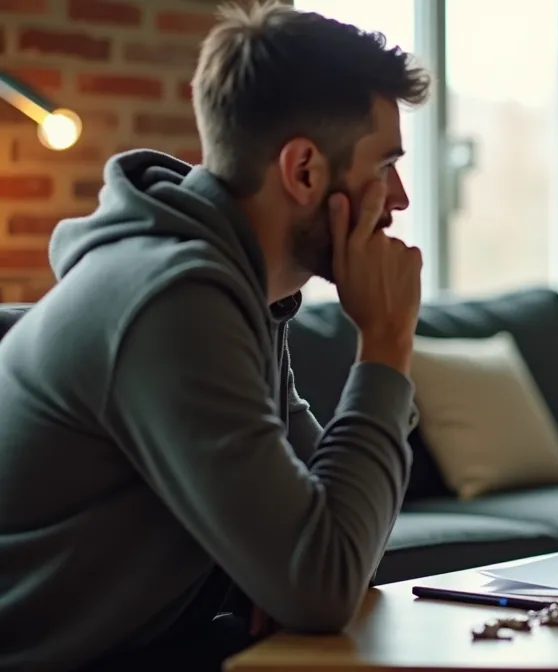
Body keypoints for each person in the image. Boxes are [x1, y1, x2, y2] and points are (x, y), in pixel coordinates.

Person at [0, 1, 428, 669]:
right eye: (383, 166)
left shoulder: (242, 292)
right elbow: (325, 580)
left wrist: (297, 570)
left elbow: (340, 539)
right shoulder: (170, 300)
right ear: (305, 170)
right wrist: (386, 344)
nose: (398, 198)